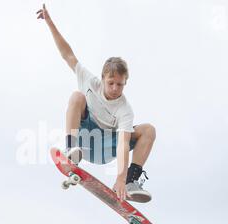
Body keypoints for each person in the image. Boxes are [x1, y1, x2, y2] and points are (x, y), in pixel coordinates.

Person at [37, 4, 155, 203]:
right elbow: (67, 54)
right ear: (102, 79)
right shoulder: (90, 81)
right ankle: (70, 150)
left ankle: (131, 182)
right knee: (77, 96)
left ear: (125, 83)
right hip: (85, 141)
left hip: (108, 147)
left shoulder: (125, 109)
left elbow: (124, 144)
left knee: (148, 130)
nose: (115, 89)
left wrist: (120, 177)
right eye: (111, 83)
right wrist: (50, 22)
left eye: (120, 84)